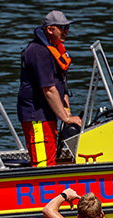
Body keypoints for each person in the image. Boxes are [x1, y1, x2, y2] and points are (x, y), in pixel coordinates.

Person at [17, 10, 82, 167]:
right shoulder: (39, 52)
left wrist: (65, 105)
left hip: (48, 113)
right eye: (62, 28)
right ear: (50, 29)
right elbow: (49, 89)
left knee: (50, 159)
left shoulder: (53, 49)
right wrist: (66, 118)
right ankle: (43, 190)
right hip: (37, 116)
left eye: (67, 28)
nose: (66, 31)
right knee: (43, 164)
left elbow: (59, 81)